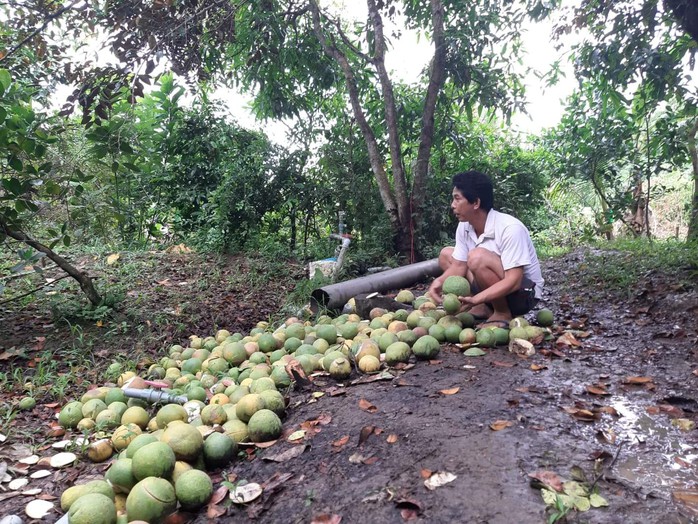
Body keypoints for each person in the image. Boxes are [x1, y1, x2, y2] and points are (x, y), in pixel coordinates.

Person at [427, 170, 544, 326]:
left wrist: (475, 298)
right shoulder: (464, 226)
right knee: (447, 254)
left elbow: (514, 281)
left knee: (477, 257)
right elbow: (458, 267)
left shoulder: (510, 228)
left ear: (476, 203)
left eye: (457, 199)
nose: (452, 205)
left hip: (523, 295)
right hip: (492, 286)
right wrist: (439, 283)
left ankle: (502, 313)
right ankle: (484, 307)